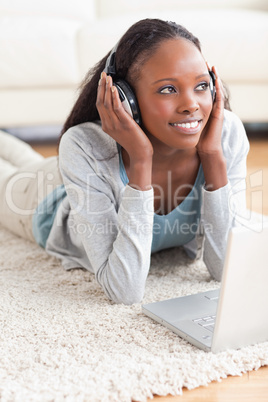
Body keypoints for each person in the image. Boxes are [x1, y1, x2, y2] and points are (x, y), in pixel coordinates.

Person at [0, 19, 249, 305]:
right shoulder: (84, 145)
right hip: (45, 201)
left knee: (23, 158)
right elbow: (124, 291)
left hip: (77, 175)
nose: (191, 104)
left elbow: (226, 270)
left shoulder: (224, 133)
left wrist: (213, 158)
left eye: (202, 85)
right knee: (12, 172)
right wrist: (141, 162)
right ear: (124, 97)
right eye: (168, 89)